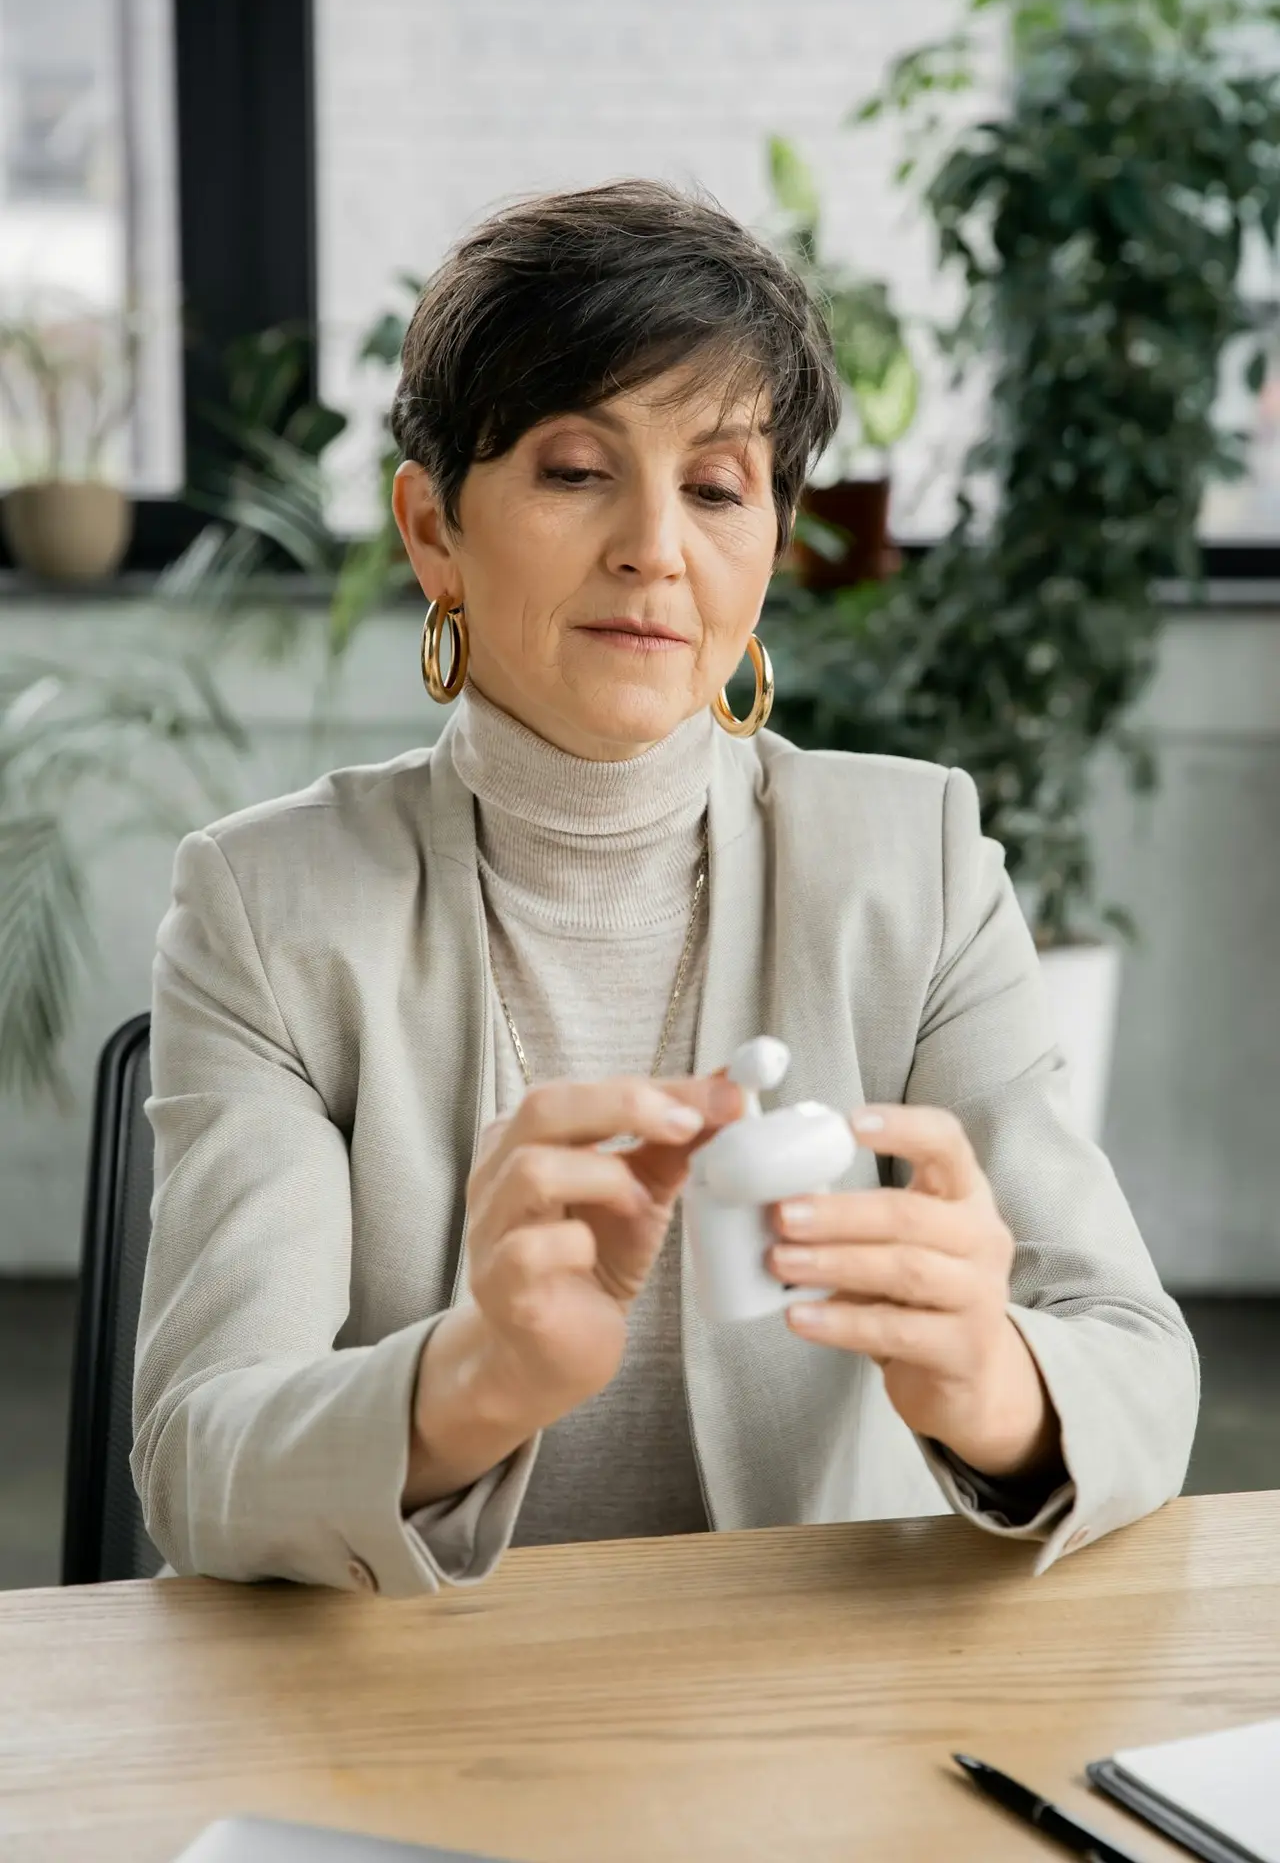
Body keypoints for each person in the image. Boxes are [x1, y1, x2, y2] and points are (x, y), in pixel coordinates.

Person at [132, 180, 1198, 1598]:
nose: (655, 546)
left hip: (812, 1719)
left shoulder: (918, 862)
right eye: (576, 470)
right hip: (418, 1723)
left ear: (770, 545)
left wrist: (994, 1386)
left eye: (715, 486)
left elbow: (1135, 1360)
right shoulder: (268, 909)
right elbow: (199, 1456)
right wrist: (478, 1378)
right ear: (434, 528)